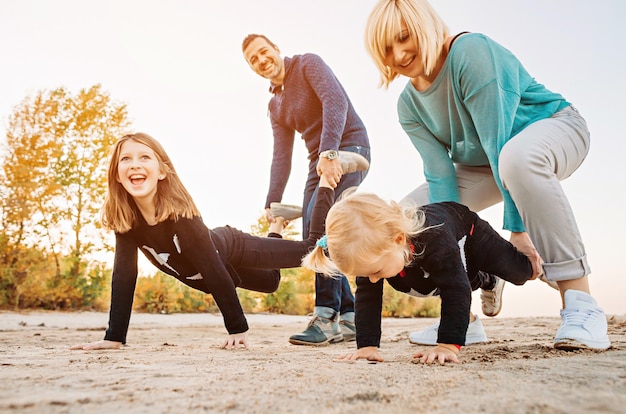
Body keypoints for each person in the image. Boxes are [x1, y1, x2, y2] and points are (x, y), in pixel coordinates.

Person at [362, 0, 610, 351]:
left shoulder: (470, 52)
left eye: (405, 37)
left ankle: (581, 306)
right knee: (409, 215)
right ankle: (463, 317)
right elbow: (441, 181)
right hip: (490, 163)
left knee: (516, 158)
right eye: (387, 48)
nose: (400, 53)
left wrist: (518, 233)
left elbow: (500, 143)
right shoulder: (408, 106)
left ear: (427, 27)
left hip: (553, 130)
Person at [70, 132, 366, 351]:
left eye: (144, 157)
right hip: (219, 270)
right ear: (117, 175)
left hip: (230, 246)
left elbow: (212, 268)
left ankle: (328, 181)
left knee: (310, 248)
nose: (135, 164)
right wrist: (114, 337)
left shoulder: (183, 219)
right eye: (126, 159)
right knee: (270, 283)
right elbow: (124, 275)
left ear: (161, 171)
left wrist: (237, 328)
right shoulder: (127, 223)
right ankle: (278, 222)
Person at [302, 190, 535, 364]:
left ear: (398, 240)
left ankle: (527, 264)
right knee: (427, 282)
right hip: (443, 263)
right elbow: (367, 298)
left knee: (522, 273)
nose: (372, 280)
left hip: (469, 232)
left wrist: (447, 345)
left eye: (375, 273)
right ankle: (487, 281)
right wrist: (367, 346)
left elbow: (456, 290)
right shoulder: (375, 256)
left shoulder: (436, 241)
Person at [242, 34, 372, 346]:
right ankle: (351, 317)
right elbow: (281, 155)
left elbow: (335, 100)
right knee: (312, 238)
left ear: (275, 48)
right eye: (253, 60)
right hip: (319, 161)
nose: (261, 61)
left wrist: (329, 154)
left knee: (322, 228)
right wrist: (272, 201)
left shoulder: (307, 64)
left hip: (349, 148)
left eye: (263, 52)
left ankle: (326, 316)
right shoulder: (275, 105)